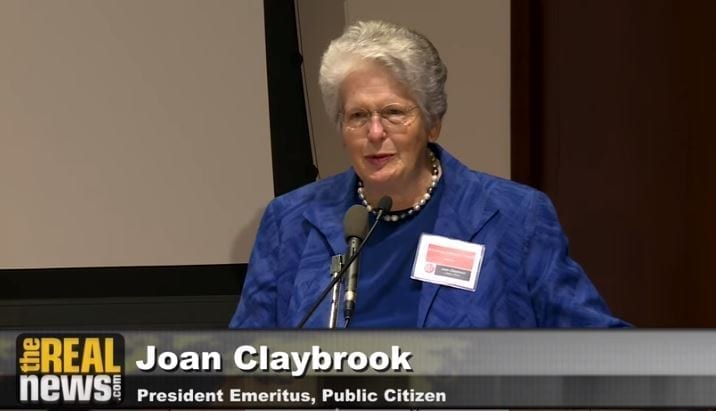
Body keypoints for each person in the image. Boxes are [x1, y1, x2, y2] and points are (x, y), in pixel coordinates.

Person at [230, 20, 627, 328]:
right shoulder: (290, 220)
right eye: (357, 115)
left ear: (432, 123)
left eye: (394, 113)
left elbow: (595, 346)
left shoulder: (514, 217)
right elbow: (244, 364)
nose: (374, 133)